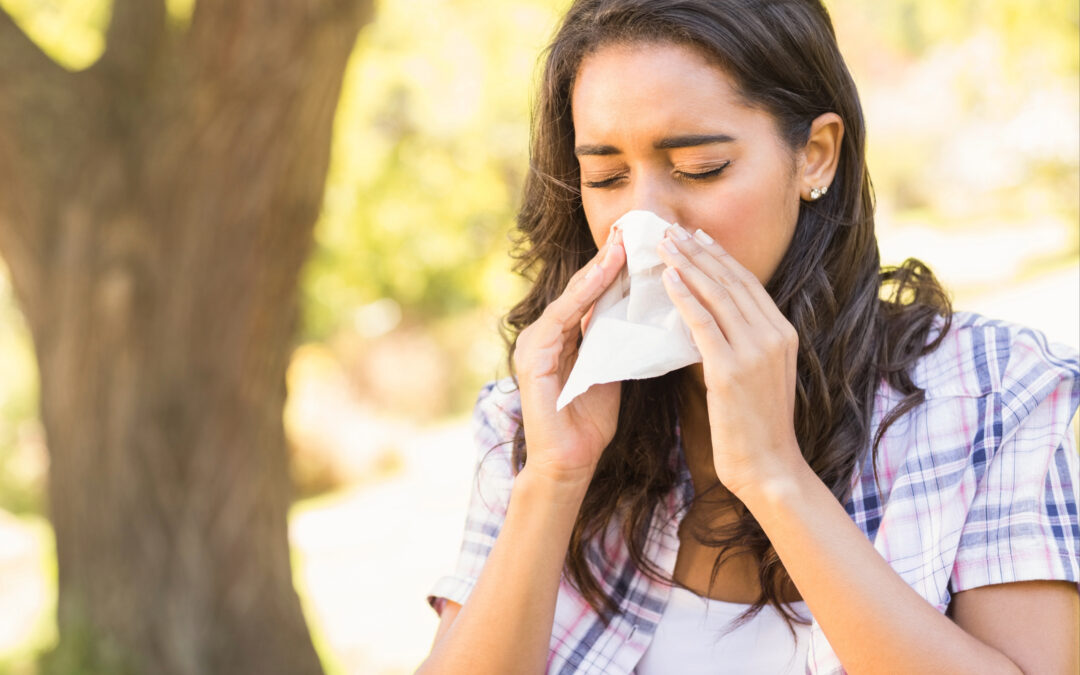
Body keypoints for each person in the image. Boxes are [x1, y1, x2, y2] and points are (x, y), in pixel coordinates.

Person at [417, 1, 1080, 673]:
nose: (643, 223)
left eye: (700, 166)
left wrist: (776, 476)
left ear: (815, 156)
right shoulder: (531, 420)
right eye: (607, 178)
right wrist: (553, 480)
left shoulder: (992, 389)